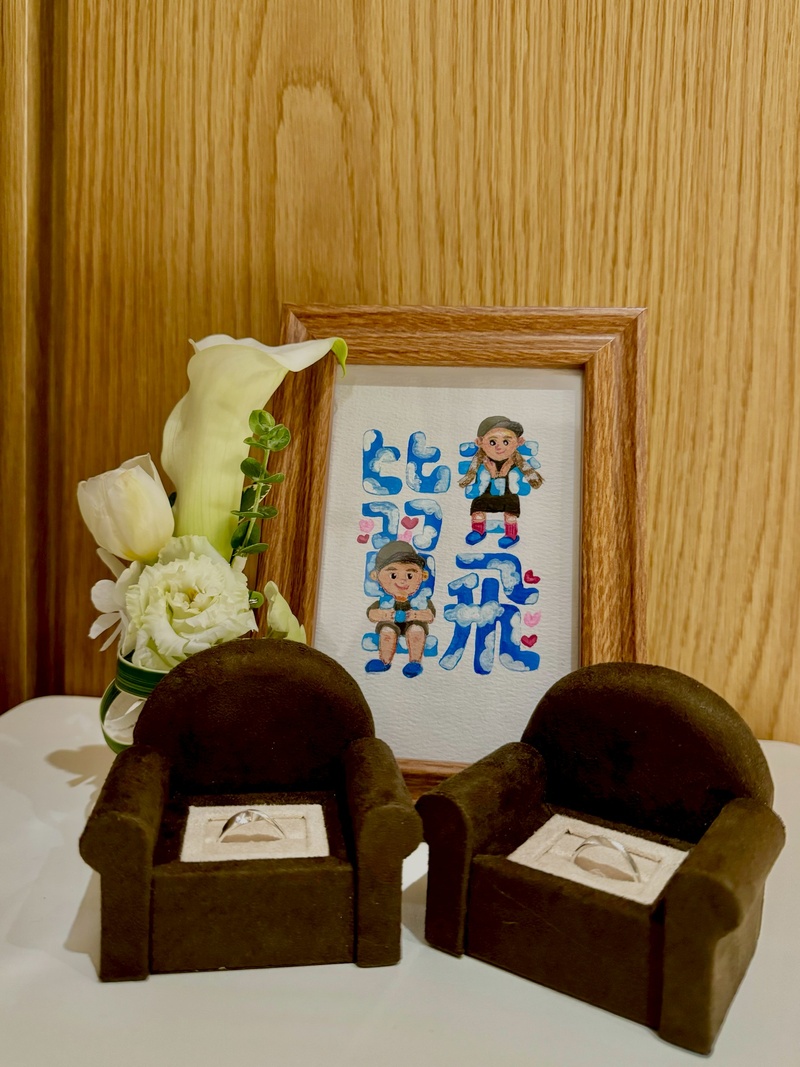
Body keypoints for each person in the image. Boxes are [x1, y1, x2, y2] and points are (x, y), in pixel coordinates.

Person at [459, 415, 543, 548]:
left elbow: (530, 473)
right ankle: (478, 531)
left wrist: (535, 481)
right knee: (478, 510)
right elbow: (471, 473)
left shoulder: (517, 459)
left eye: (506, 442)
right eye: (492, 442)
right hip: (485, 492)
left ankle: (511, 535)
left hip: (508, 492)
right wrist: (465, 482)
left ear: (519, 442)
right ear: (479, 442)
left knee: (511, 513)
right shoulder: (481, 458)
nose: (499, 447)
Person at [365, 541, 435, 678]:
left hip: (413, 623)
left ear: (423, 576)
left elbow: (430, 616)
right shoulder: (384, 601)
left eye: (410, 575)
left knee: (416, 631)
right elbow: (372, 614)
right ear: (375, 576)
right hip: (390, 623)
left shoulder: (421, 599)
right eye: (393, 575)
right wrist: (384, 614)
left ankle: (415, 662)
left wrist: (416, 614)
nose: (402, 581)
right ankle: (384, 661)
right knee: (387, 632)